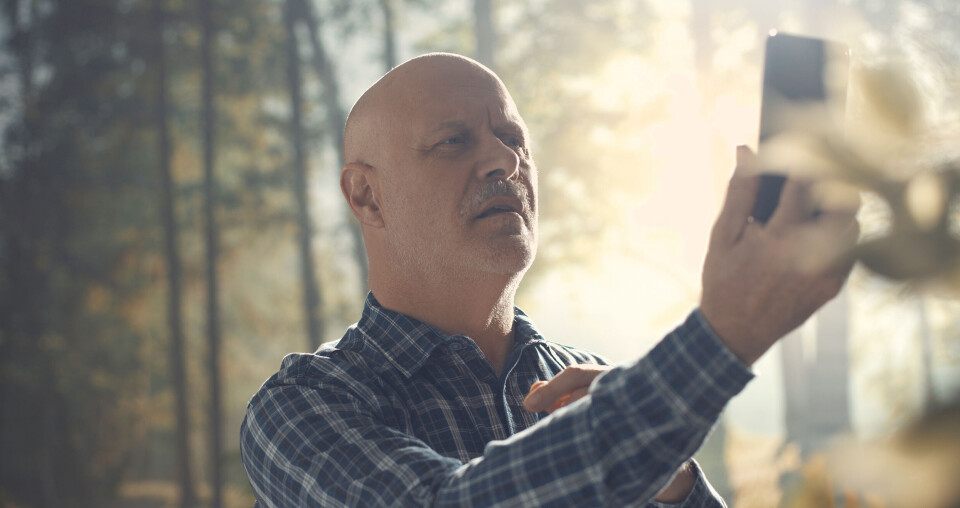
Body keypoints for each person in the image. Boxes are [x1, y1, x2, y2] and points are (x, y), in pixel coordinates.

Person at [240, 52, 858, 507]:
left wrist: (670, 481)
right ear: (367, 196)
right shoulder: (301, 407)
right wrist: (721, 338)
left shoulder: (599, 387)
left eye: (513, 139)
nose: (505, 160)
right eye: (455, 141)